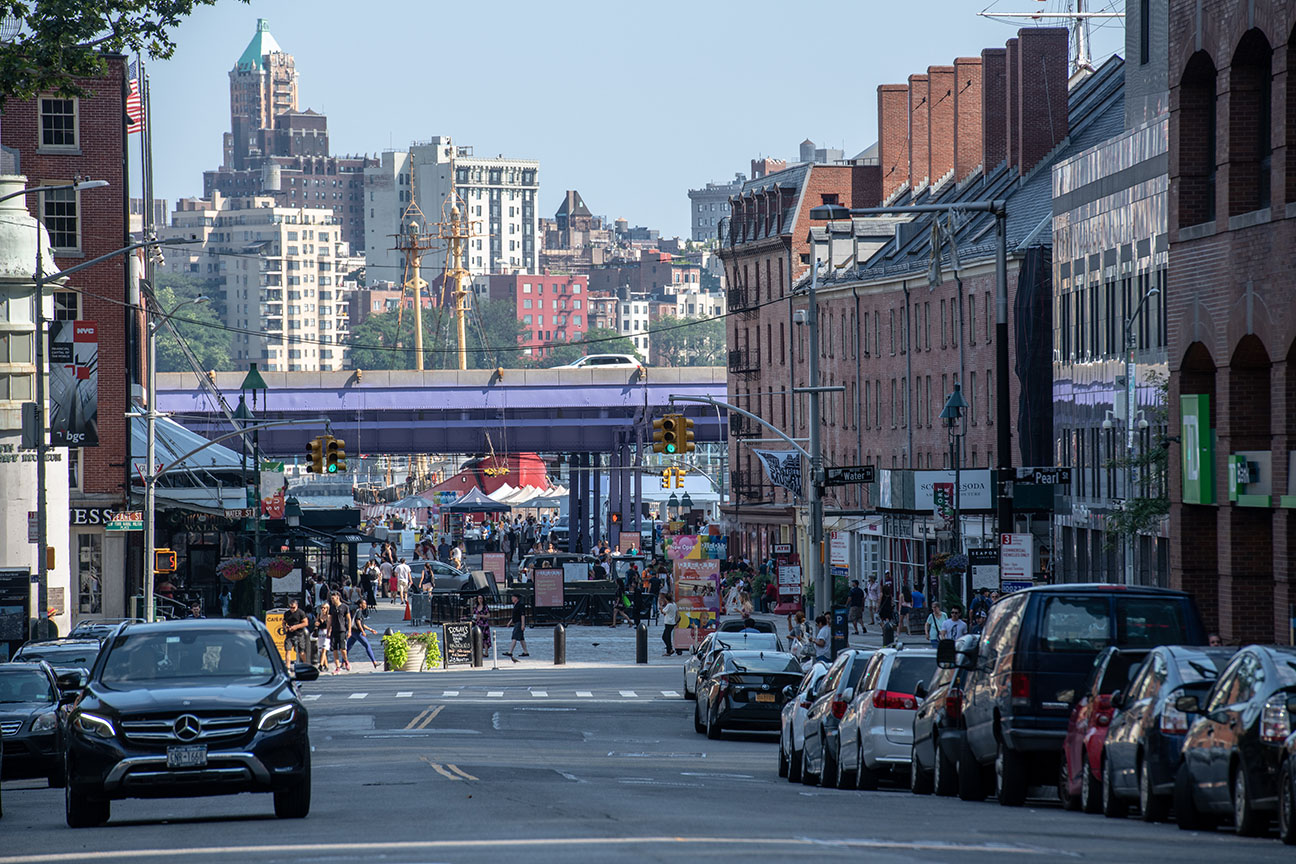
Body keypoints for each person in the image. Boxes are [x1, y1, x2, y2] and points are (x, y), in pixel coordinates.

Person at [346, 598, 380, 669]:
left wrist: (370, 630)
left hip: (353, 631)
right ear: (361, 605)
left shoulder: (357, 611)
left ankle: (343, 662)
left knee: (348, 647)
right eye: (364, 604)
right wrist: (363, 631)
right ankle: (374, 661)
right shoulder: (359, 611)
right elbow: (358, 622)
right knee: (367, 645)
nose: (366, 605)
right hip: (358, 632)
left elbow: (362, 624)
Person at [326, 591, 352, 674]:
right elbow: (330, 619)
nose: (332, 600)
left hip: (342, 630)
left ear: (337, 597)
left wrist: (349, 630)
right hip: (334, 630)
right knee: (334, 649)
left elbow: (349, 619)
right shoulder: (332, 608)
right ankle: (337, 667)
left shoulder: (345, 607)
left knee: (342, 649)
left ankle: (346, 660)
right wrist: (328, 631)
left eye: (333, 598)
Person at [504, 592, 529, 660]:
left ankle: (510, 652)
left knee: (514, 637)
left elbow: (522, 615)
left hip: (519, 623)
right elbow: (515, 616)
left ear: (516, 598)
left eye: (513, 597)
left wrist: (523, 624)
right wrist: (510, 622)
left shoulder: (520, 605)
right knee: (521, 638)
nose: (512, 598)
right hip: (516, 622)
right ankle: (525, 652)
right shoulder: (516, 605)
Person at [311, 603, 330, 671]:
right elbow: (316, 623)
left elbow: (330, 626)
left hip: (326, 633)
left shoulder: (328, 616)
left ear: (327, 608)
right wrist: (316, 624)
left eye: (324, 608)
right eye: (322, 607)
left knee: (324, 649)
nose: (322, 609)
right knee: (321, 650)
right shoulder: (319, 615)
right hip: (320, 633)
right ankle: (326, 666)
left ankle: (321, 665)